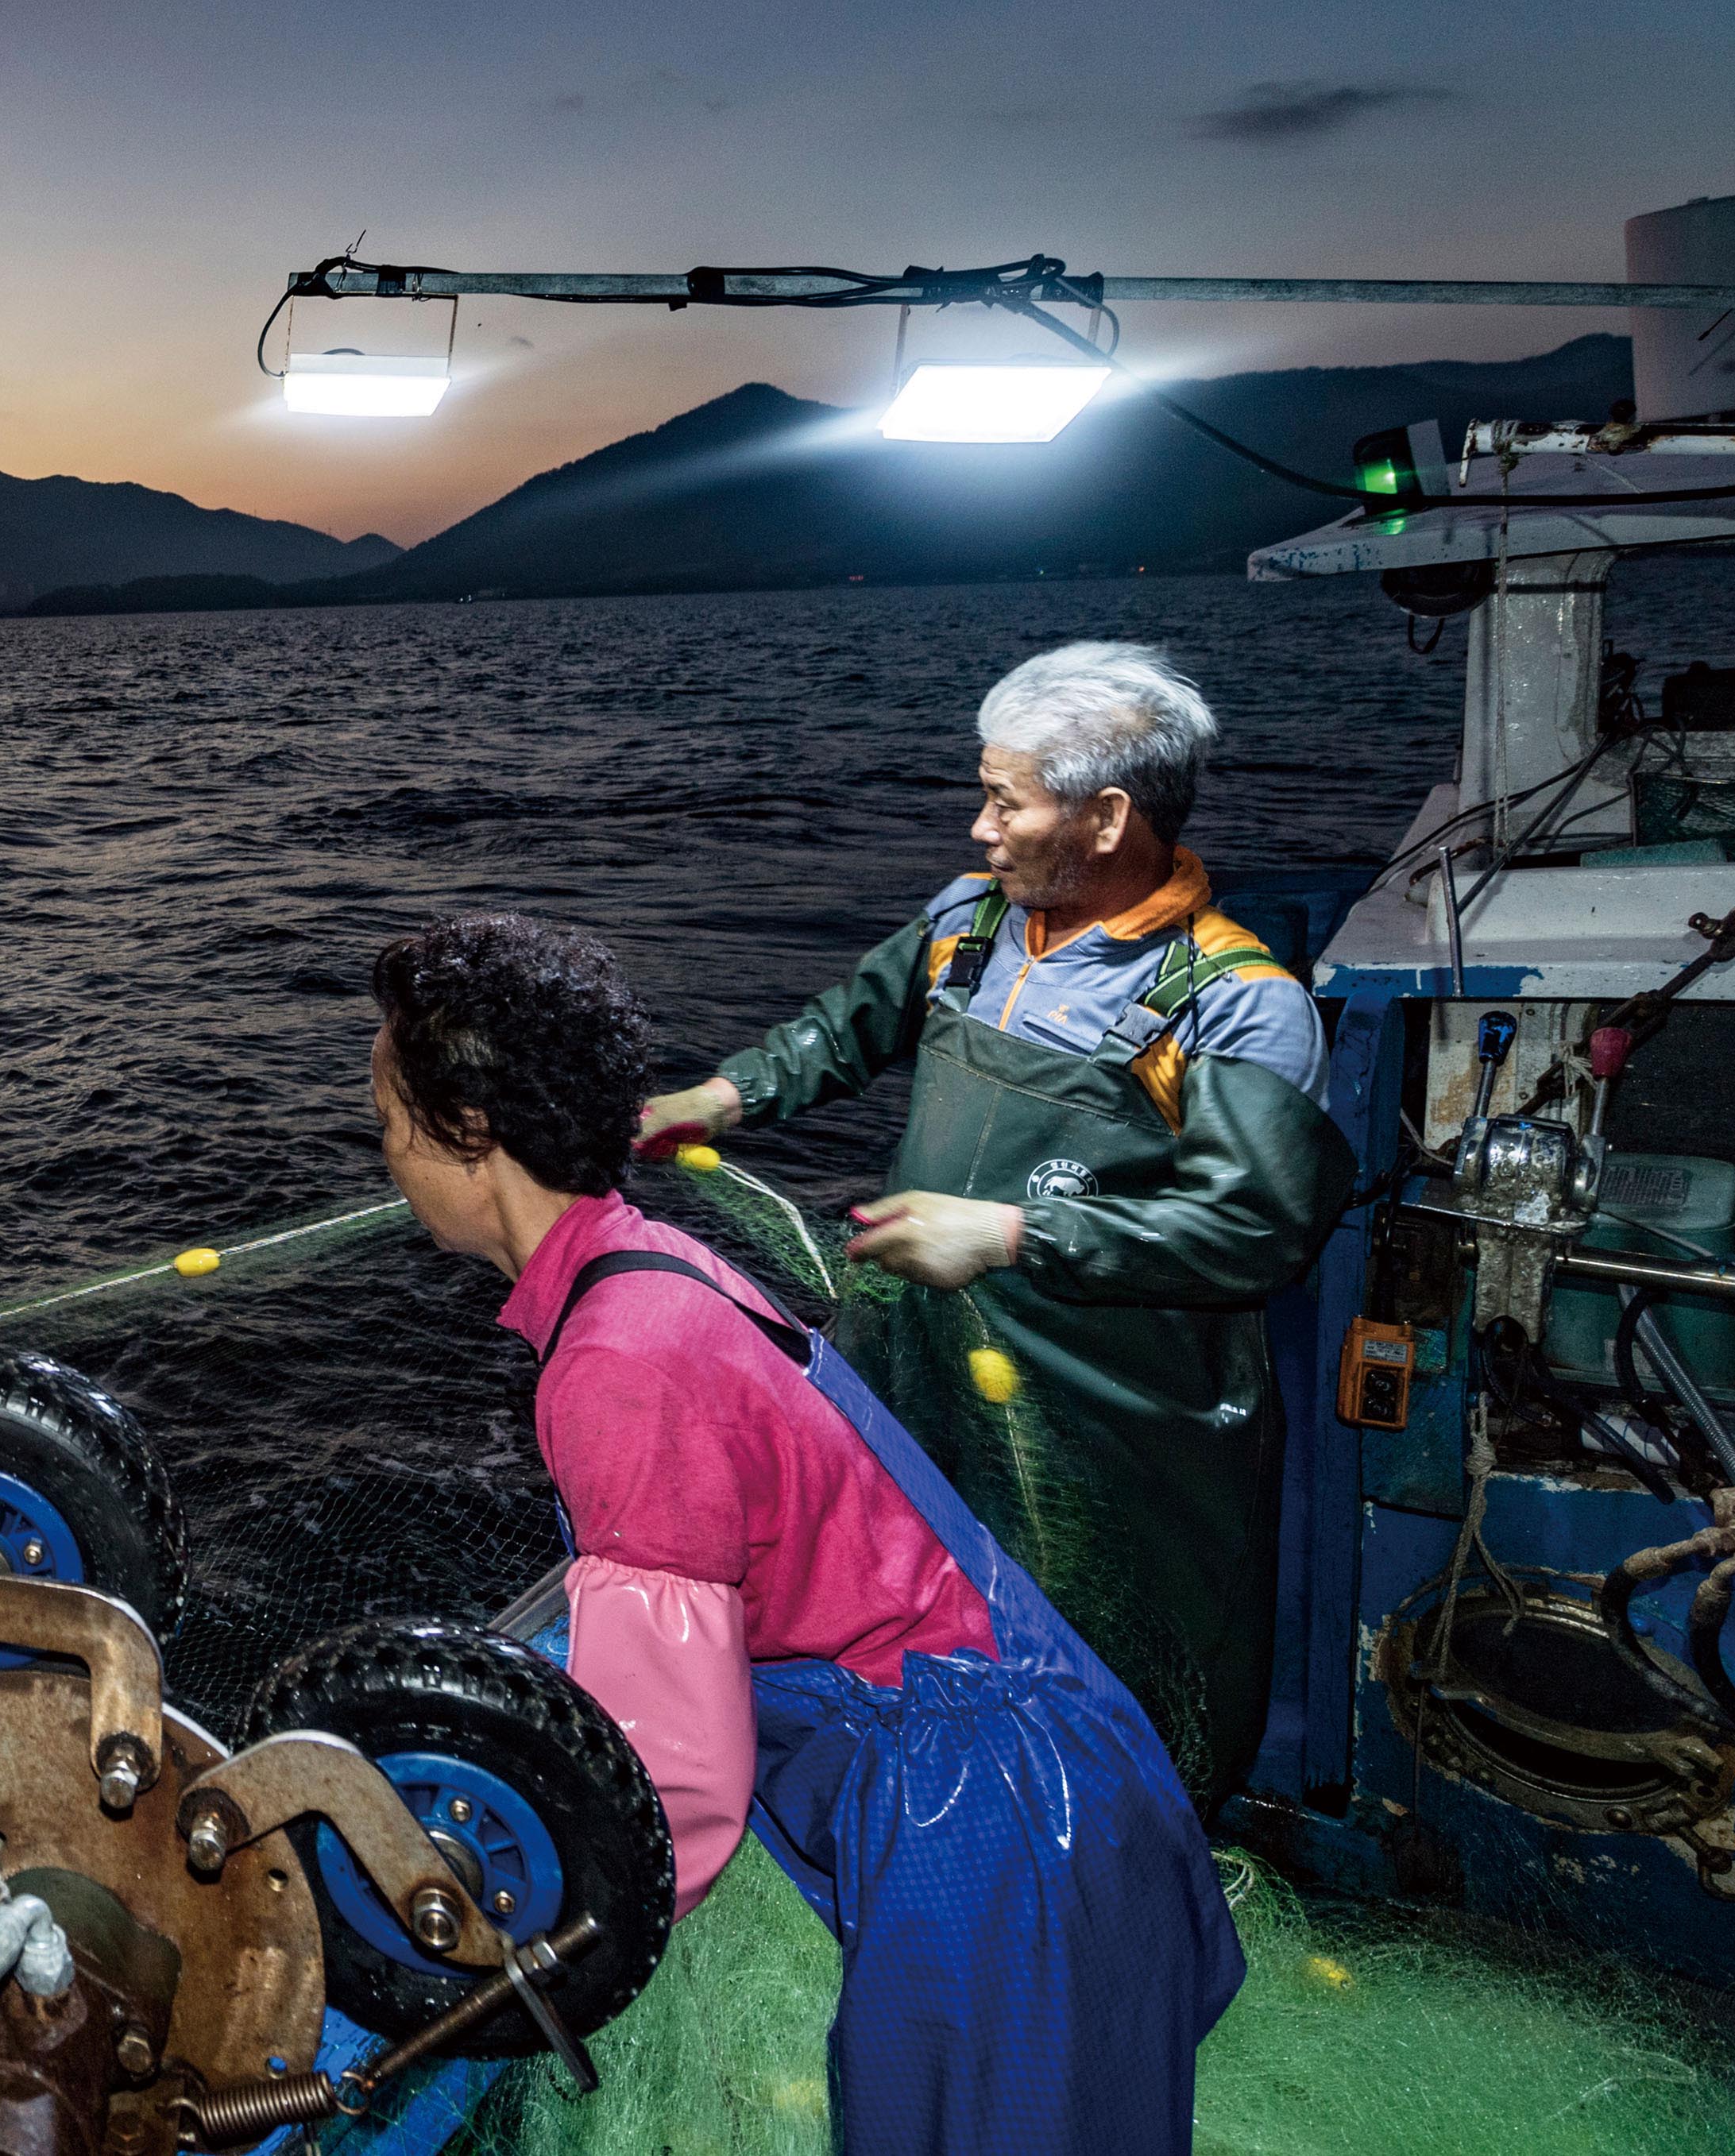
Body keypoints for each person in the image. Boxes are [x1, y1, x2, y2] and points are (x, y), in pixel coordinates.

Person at [371, 911, 1237, 2156]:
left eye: (391, 1116)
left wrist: (501, 1941)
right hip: (1055, 1762)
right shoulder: (652, 1259)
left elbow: (668, 1778)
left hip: (985, 1843)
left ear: (467, 1133)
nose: (386, 1150)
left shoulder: (614, 1361)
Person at [638, 640, 1353, 1805]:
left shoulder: (1236, 1004)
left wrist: (1010, 1237)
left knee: (1111, 1645)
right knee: (908, 1599)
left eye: (1003, 800)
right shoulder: (968, 925)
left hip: (1114, 1416)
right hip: (923, 1363)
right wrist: (714, 1099)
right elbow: (845, 1028)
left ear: (1107, 817)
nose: (978, 828)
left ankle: (1125, 1852)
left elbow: (1254, 1232)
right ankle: (937, 1817)